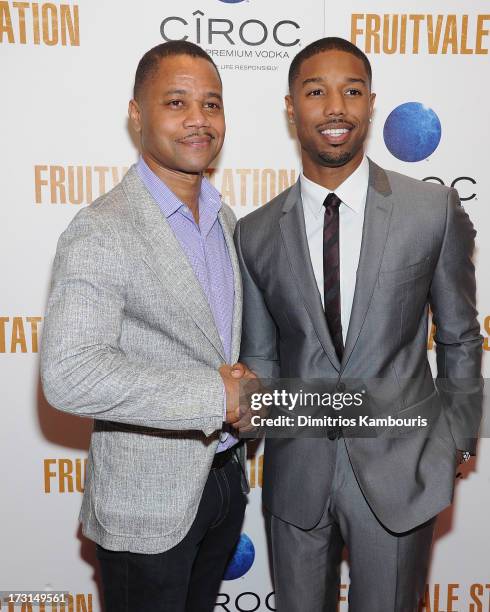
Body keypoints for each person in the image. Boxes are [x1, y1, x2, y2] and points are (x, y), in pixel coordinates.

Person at [235, 37, 482, 611]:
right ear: (292, 107)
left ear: (372, 103)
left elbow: (460, 334)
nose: (335, 108)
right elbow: (264, 355)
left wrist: (458, 440)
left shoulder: (431, 210)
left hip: (402, 467)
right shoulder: (254, 232)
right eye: (315, 92)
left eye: (351, 91)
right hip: (298, 473)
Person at [41, 40, 255, 612]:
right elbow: (69, 373)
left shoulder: (226, 219)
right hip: (145, 502)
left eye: (212, 105)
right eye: (177, 102)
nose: (198, 120)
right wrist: (220, 394)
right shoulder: (101, 230)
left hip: (225, 482)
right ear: (137, 114)